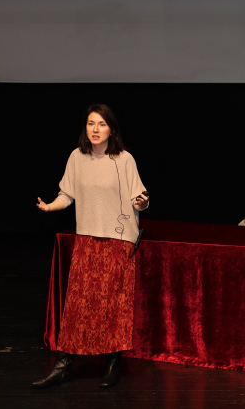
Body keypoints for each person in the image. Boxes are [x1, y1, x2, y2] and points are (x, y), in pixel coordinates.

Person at [32, 103, 149, 389]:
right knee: (78, 304)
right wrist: (49, 206)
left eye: (102, 124)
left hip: (118, 240)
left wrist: (141, 202)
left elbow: (139, 198)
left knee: (114, 304)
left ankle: (113, 365)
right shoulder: (77, 157)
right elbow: (66, 194)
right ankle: (63, 366)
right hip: (86, 238)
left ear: (112, 130)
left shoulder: (124, 159)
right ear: (85, 128)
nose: (95, 129)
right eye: (91, 123)